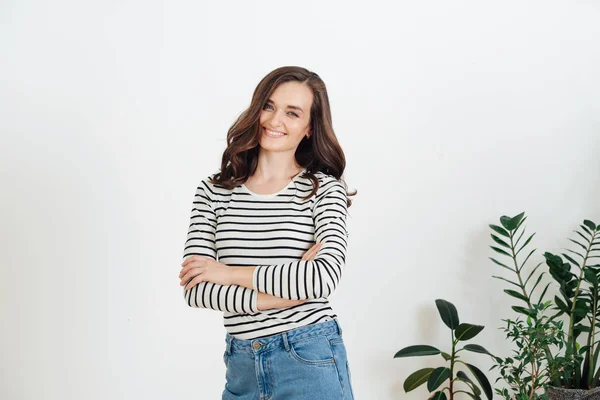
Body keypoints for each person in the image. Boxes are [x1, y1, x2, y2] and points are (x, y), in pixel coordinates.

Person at [178, 66, 357, 399]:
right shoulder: (213, 191)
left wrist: (226, 272)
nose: (276, 121)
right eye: (269, 106)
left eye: (293, 113)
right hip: (241, 363)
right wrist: (284, 295)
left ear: (309, 128)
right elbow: (196, 289)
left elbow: (321, 280)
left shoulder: (324, 191)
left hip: (308, 355)